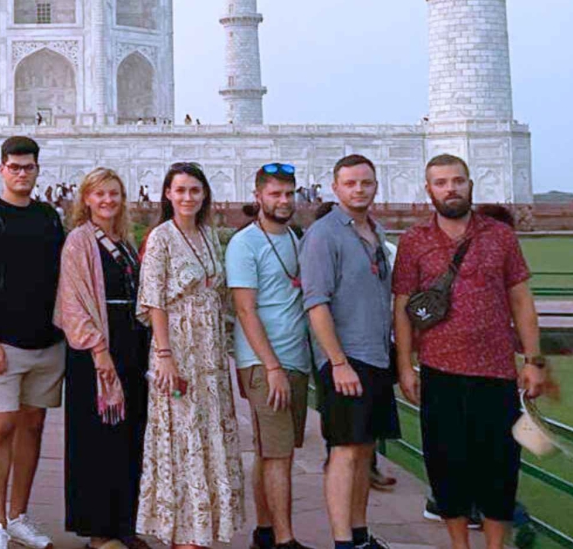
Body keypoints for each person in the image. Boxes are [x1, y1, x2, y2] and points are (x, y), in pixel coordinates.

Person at [393, 155, 547, 549]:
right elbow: (403, 307)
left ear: (470, 184)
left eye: (457, 181)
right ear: (428, 190)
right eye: (441, 182)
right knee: (447, 467)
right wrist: (406, 366)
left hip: (496, 370)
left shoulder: (499, 236)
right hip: (439, 370)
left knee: (499, 467)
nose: (451, 189)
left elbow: (520, 299)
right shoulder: (415, 241)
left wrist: (532, 360)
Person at [0, 136, 64, 549]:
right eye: (15, 167)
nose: (22, 173)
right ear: (2, 169)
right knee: (1, 424)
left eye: (29, 167)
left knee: (33, 426)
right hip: (2, 340)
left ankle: (19, 516)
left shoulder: (49, 218)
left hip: (47, 341)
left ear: (38, 170)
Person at [137, 162, 244, 549]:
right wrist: (165, 355)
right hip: (177, 350)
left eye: (194, 191)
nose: (187, 197)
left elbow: (219, 294)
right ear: (167, 194)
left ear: (204, 195)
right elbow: (154, 301)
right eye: (180, 190)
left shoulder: (208, 234)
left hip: (209, 355)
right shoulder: (161, 237)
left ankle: (202, 529)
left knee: (208, 431)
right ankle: (181, 533)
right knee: (180, 436)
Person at [299, 155, 397, 549]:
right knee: (343, 449)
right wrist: (337, 363)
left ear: (375, 186)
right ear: (336, 188)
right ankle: (342, 541)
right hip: (344, 358)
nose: (359, 189)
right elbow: (316, 302)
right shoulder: (324, 235)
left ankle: (359, 534)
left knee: (364, 447)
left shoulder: (376, 230)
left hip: (375, 355)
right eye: (351, 183)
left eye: (366, 183)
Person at [54, 168, 150, 549]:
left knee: (128, 436)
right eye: (100, 195)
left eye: (114, 194)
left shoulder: (123, 241)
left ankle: (123, 523)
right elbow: (74, 302)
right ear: (87, 200)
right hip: (95, 352)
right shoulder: (80, 241)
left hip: (129, 347)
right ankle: (98, 530)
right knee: (96, 440)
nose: (108, 201)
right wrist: (98, 351)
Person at [226, 164, 313, 549]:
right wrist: (272, 366)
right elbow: (245, 309)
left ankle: (264, 532)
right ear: (258, 195)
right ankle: (285, 539)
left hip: (294, 358)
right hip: (265, 363)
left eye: (288, 194)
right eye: (275, 194)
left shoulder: (293, 237)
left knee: (273, 451)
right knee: (278, 455)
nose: (283, 201)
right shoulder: (246, 243)